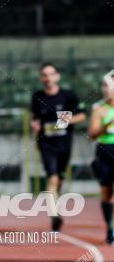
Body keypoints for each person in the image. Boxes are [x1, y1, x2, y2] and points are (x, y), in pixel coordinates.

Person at [30, 63, 86, 232]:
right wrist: (35, 125)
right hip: (46, 143)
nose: (48, 78)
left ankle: (56, 208)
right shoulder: (37, 96)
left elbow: (82, 115)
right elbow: (34, 118)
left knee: (59, 178)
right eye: (44, 75)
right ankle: (53, 214)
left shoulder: (68, 96)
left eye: (51, 74)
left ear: (57, 76)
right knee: (52, 177)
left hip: (64, 143)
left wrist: (65, 122)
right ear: (41, 78)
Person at [88, 75, 114, 245]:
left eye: (109, 86)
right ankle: (109, 229)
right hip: (105, 151)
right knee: (106, 193)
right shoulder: (99, 108)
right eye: (104, 85)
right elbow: (91, 134)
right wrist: (107, 125)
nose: (105, 89)